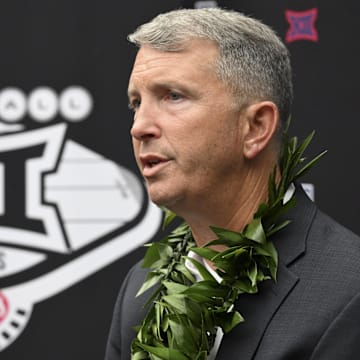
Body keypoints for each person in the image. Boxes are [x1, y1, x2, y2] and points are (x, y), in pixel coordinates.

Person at [105, 8, 360, 360]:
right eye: (136, 102)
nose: (139, 126)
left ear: (255, 127)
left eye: (173, 96)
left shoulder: (349, 293)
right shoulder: (140, 286)